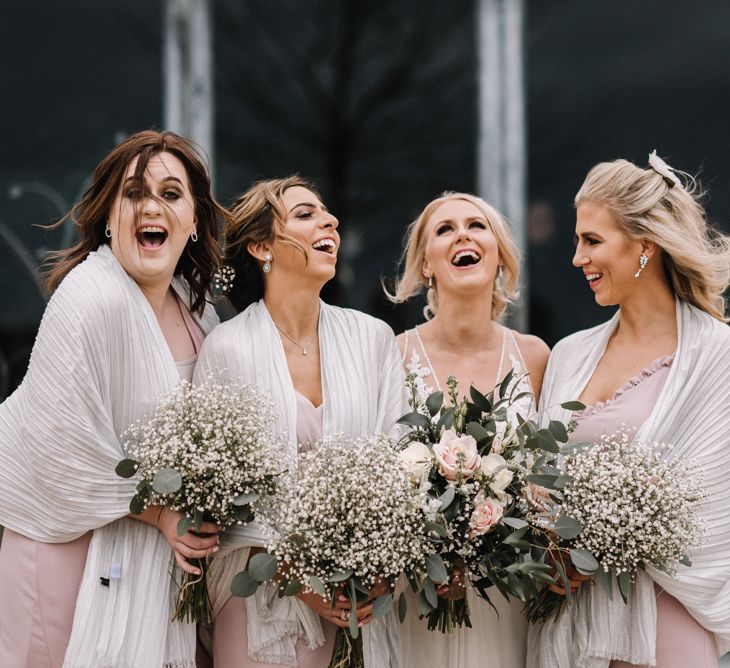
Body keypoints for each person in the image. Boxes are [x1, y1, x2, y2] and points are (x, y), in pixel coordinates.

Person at [0, 129, 228, 667]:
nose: (151, 206)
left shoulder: (201, 316)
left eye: (171, 194)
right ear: (108, 216)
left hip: (158, 569)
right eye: (133, 193)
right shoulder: (88, 296)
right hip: (65, 552)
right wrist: (162, 515)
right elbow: (53, 446)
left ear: (193, 222)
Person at [193, 176, 405, 667]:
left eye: (328, 213)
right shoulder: (227, 349)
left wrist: (375, 569)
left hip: (360, 599)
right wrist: (299, 578)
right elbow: (217, 499)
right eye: (306, 214)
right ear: (262, 245)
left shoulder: (372, 338)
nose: (330, 220)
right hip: (259, 599)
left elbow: (401, 459)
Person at [528, 153, 730, 667]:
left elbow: (712, 506)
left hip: (668, 619)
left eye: (592, 241)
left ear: (645, 245)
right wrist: (549, 548)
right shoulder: (570, 354)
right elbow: (537, 478)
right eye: (577, 241)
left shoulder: (715, 354)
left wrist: (613, 534)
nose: (577, 258)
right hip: (575, 618)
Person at [388, 191, 550, 668]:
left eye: (477, 226)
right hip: (415, 595)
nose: (463, 234)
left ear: (498, 253)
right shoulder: (390, 356)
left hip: (507, 602)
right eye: (445, 229)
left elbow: (545, 483)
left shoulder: (536, 357)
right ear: (425, 266)